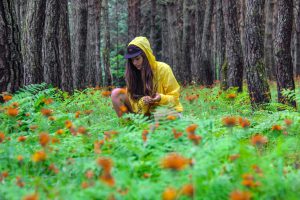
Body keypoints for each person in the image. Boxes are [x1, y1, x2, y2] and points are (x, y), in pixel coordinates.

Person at [111, 36, 183, 119]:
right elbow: (134, 105)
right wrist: (143, 102)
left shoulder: (163, 69)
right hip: (146, 116)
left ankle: (153, 128)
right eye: (132, 60)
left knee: (158, 114)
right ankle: (129, 130)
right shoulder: (133, 74)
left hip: (169, 111)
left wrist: (160, 98)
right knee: (116, 93)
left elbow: (174, 98)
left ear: (146, 56)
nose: (134, 63)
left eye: (137, 59)